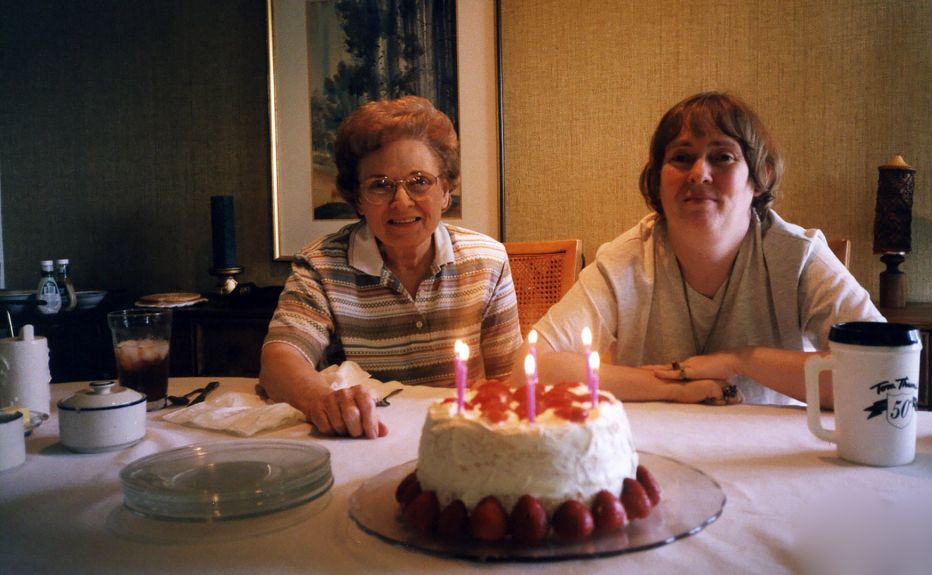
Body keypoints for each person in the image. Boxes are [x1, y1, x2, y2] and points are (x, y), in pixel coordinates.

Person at [523, 91, 883, 407]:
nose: (698, 173)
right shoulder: (624, 261)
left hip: (777, 461)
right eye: (681, 158)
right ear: (656, 181)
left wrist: (742, 361)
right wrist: (673, 389)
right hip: (656, 459)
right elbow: (529, 369)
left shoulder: (798, 256)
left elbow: (883, 374)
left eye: (722, 157)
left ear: (761, 178)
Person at [260, 96, 522, 438]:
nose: (401, 202)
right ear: (357, 199)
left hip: (459, 440)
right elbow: (280, 359)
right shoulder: (322, 265)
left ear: (445, 190)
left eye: (420, 181)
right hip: (363, 439)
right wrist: (322, 401)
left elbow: (509, 381)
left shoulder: (488, 261)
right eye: (380, 185)